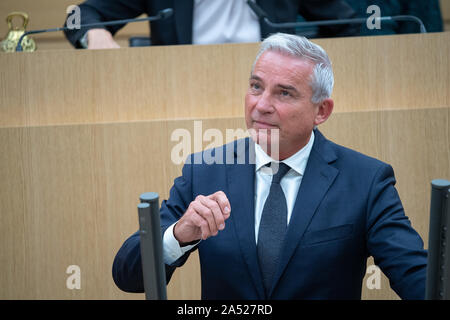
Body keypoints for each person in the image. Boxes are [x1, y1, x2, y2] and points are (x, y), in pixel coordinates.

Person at [112, 33, 427, 299]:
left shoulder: (366, 180)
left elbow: (417, 276)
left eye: (284, 93)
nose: (261, 105)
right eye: (256, 86)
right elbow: (128, 275)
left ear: (322, 111)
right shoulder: (205, 170)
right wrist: (179, 234)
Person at [63, 0, 359, 49]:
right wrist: (94, 34)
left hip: (274, 103)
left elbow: (348, 25)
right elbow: (78, 16)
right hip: (182, 98)